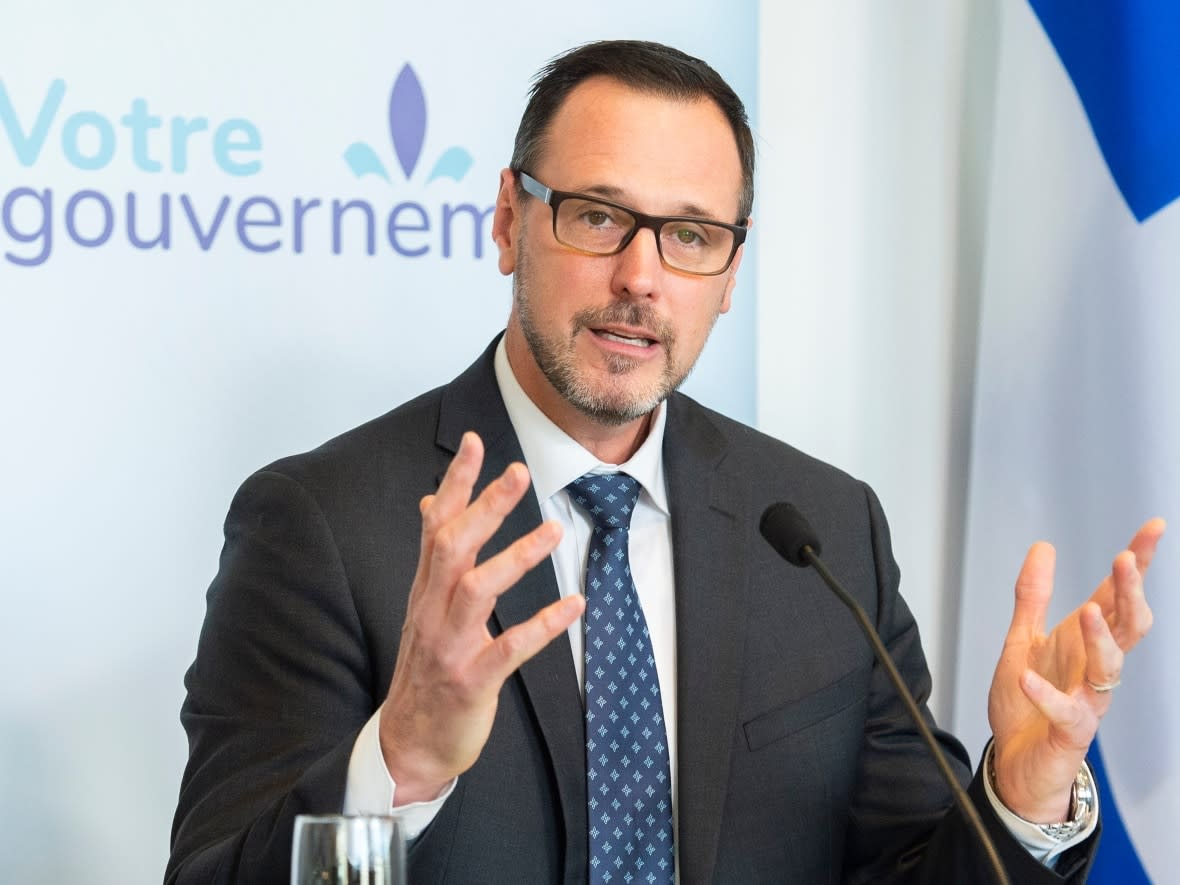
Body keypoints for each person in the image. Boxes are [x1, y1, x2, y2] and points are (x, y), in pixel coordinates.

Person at [166, 40, 1164, 884]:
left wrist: (1020, 795)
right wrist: (399, 762)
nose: (641, 278)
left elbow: (907, 866)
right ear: (512, 220)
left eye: (690, 235)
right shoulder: (325, 523)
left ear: (728, 271)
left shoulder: (819, 530)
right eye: (597, 217)